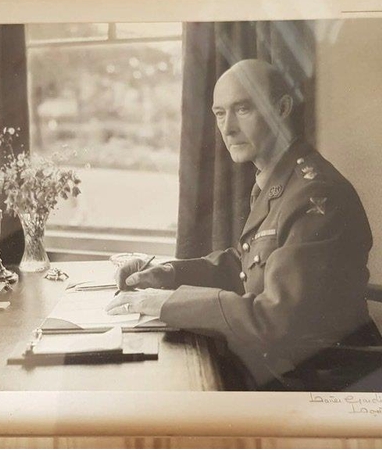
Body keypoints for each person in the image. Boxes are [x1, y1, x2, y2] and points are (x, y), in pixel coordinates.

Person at [106, 58, 382, 390]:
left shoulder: (315, 194)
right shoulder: (278, 180)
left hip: (324, 383)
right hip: (286, 366)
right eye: (220, 113)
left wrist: (164, 303)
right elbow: (248, 265)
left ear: (281, 108)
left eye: (243, 109)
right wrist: (168, 273)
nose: (228, 127)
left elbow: (276, 319)